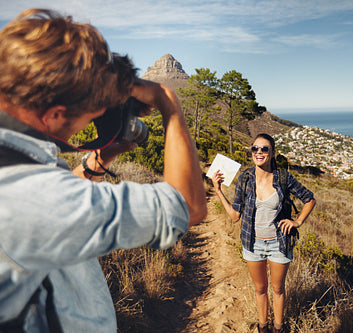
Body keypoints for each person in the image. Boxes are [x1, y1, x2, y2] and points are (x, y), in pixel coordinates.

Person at [0, 9, 207, 331]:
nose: (92, 121)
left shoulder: (14, 165)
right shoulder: (29, 199)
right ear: (54, 115)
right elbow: (187, 205)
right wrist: (169, 104)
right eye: (91, 115)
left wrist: (105, 155)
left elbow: (46, 197)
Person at [211, 133, 316, 333]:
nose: (259, 152)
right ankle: (263, 328)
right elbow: (235, 216)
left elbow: (309, 199)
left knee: (277, 290)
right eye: (255, 149)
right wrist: (218, 191)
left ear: (273, 153)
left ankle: (278, 328)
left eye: (264, 149)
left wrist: (298, 221)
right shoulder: (245, 178)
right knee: (260, 289)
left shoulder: (284, 177)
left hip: (279, 244)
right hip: (253, 244)